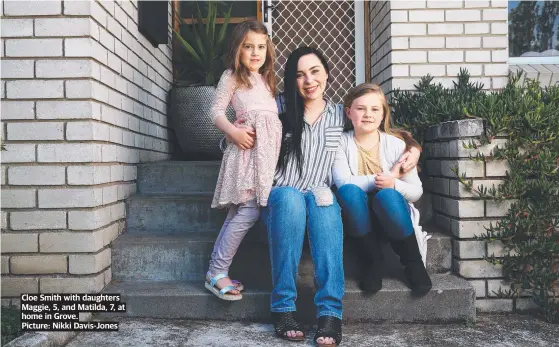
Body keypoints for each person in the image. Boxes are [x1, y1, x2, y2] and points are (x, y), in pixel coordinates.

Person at [233, 47, 421, 346]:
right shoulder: (276, 108)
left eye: (315, 71)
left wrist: (413, 147)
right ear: (291, 80)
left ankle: (331, 314)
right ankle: (283, 307)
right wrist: (237, 137)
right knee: (292, 199)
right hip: (281, 193)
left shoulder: (338, 114)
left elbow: (377, 125)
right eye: (299, 74)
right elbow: (235, 139)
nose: (309, 80)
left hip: (319, 190)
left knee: (325, 203)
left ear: (327, 73)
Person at [204, 21, 282, 301]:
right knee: (249, 211)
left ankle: (215, 270)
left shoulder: (268, 80)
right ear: (238, 49)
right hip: (245, 154)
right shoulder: (232, 76)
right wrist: (233, 131)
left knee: (236, 212)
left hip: (264, 159)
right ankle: (217, 271)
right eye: (248, 46)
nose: (255, 53)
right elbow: (215, 110)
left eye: (261, 47)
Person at [332, 83, 432, 297]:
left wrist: (393, 183)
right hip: (359, 218)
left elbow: (416, 192)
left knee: (387, 195)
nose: (368, 114)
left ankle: (413, 263)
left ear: (383, 114)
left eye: (375, 109)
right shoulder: (340, 142)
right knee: (349, 192)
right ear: (349, 112)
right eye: (360, 108)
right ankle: (370, 260)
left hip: (391, 214)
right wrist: (384, 178)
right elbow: (343, 182)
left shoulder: (396, 145)